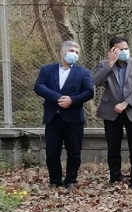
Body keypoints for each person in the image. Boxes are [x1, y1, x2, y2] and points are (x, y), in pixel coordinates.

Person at [33, 40, 95, 190]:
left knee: (74, 152)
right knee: (52, 152)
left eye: (77, 52)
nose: (74, 54)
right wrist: (58, 98)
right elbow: (39, 86)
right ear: (62, 52)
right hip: (53, 117)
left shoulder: (83, 73)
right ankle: (55, 180)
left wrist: (72, 100)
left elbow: (89, 92)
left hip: (74, 119)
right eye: (71, 51)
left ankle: (71, 180)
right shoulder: (47, 70)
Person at [93, 37, 132, 189]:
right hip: (111, 111)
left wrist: (126, 103)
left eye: (126, 48)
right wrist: (110, 63)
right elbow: (96, 82)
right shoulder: (104, 64)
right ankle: (115, 176)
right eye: (120, 49)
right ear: (112, 50)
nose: (124, 52)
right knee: (113, 146)